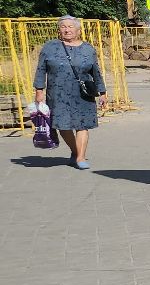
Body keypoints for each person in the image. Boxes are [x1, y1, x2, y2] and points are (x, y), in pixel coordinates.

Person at [32, 16, 104, 170]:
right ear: (59, 30)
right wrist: (39, 90)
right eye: (63, 26)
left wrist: (102, 91)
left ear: (78, 30)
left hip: (83, 93)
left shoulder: (88, 48)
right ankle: (75, 150)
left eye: (71, 26)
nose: (67, 29)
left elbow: (96, 71)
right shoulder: (50, 47)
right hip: (58, 93)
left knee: (82, 125)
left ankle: (80, 157)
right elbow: (41, 70)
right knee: (63, 125)